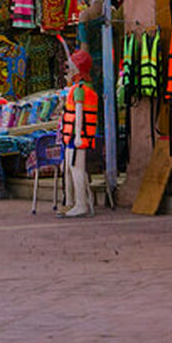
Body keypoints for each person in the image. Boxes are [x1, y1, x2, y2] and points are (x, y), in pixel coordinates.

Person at [61, 49, 98, 218]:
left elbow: (79, 114)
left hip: (78, 136)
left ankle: (81, 204)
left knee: (77, 170)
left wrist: (77, 136)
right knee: (70, 168)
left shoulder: (80, 90)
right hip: (73, 136)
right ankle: (72, 202)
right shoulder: (78, 88)